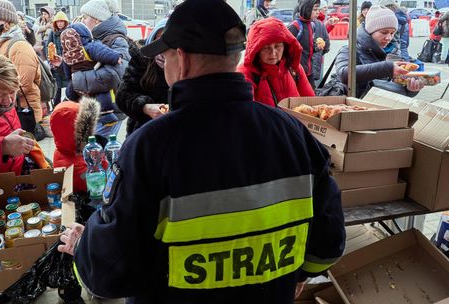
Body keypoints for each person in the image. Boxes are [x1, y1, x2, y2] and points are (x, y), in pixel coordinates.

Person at [58, 1, 345, 303]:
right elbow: (329, 242)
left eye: (164, 56)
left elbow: (109, 272)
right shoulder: (292, 132)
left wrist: (82, 246)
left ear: (180, 59)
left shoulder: (150, 147)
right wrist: (297, 274)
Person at [71, 0, 131, 139]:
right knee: (96, 150)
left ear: (97, 20)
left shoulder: (116, 39)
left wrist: (78, 79)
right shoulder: (92, 38)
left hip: (111, 109)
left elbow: (116, 74)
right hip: (96, 107)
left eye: (85, 17)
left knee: (100, 149)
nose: (83, 21)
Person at [335, 5, 425, 98]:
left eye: (392, 33)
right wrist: (387, 68)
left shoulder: (393, 52)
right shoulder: (349, 50)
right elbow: (344, 74)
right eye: (384, 32)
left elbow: (392, 90)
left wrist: (410, 90)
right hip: (354, 107)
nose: (388, 38)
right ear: (370, 30)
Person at [0, 0, 43, 124]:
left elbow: (24, 83)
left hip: (23, 111)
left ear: (8, 21)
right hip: (9, 109)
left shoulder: (19, 45)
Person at [238, 17, 314, 107]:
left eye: (277, 46)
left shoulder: (294, 68)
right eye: (266, 48)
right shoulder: (245, 74)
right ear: (256, 50)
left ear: (285, 46)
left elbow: (311, 104)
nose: (273, 53)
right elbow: (247, 113)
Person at [60, 22, 123, 129]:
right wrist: (116, 57)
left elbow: (67, 71)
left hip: (77, 81)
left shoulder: (67, 54)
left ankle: (72, 104)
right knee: (102, 93)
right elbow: (104, 52)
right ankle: (107, 115)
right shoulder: (89, 47)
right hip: (93, 74)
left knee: (72, 93)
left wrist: (69, 78)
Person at [116, 18, 169, 136]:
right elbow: (123, 95)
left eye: (167, 40)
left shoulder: (186, 62)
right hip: (143, 132)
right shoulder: (142, 59)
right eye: (158, 38)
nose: (162, 45)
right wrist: (145, 107)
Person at [50, 98, 100, 193]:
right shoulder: (71, 167)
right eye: (86, 129)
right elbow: (95, 183)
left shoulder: (67, 149)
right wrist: (101, 162)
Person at [288, 0, 320, 88]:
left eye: (318, 9)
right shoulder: (295, 26)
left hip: (309, 71)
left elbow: (309, 48)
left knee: (311, 97)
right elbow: (286, 50)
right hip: (296, 72)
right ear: (307, 9)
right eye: (315, 9)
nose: (318, 12)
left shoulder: (312, 25)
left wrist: (316, 47)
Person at [46, 11, 70, 107]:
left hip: (65, 62)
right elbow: (48, 46)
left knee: (67, 85)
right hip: (55, 63)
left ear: (65, 22)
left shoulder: (68, 32)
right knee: (57, 87)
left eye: (62, 21)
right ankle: (56, 106)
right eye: (58, 21)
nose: (60, 23)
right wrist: (50, 59)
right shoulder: (53, 32)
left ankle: (66, 105)